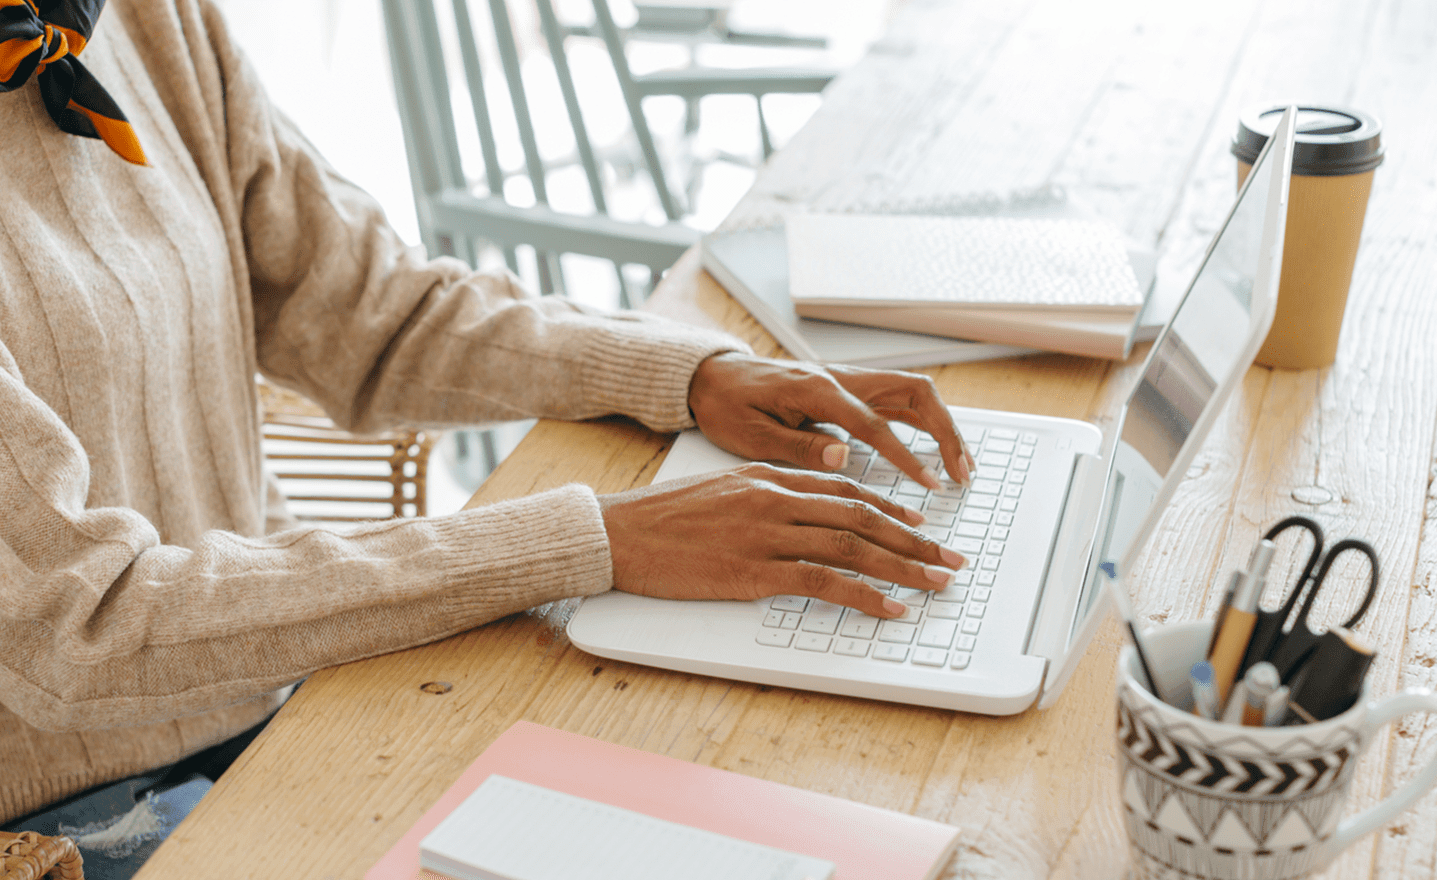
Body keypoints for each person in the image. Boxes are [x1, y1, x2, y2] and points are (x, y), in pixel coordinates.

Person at [0, 0, 975, 837]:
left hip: (286, 692)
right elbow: (82, 628)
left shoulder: (152, 20)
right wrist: (588, 540)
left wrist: (685, 371)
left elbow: (375, 312)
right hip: (74, 818)